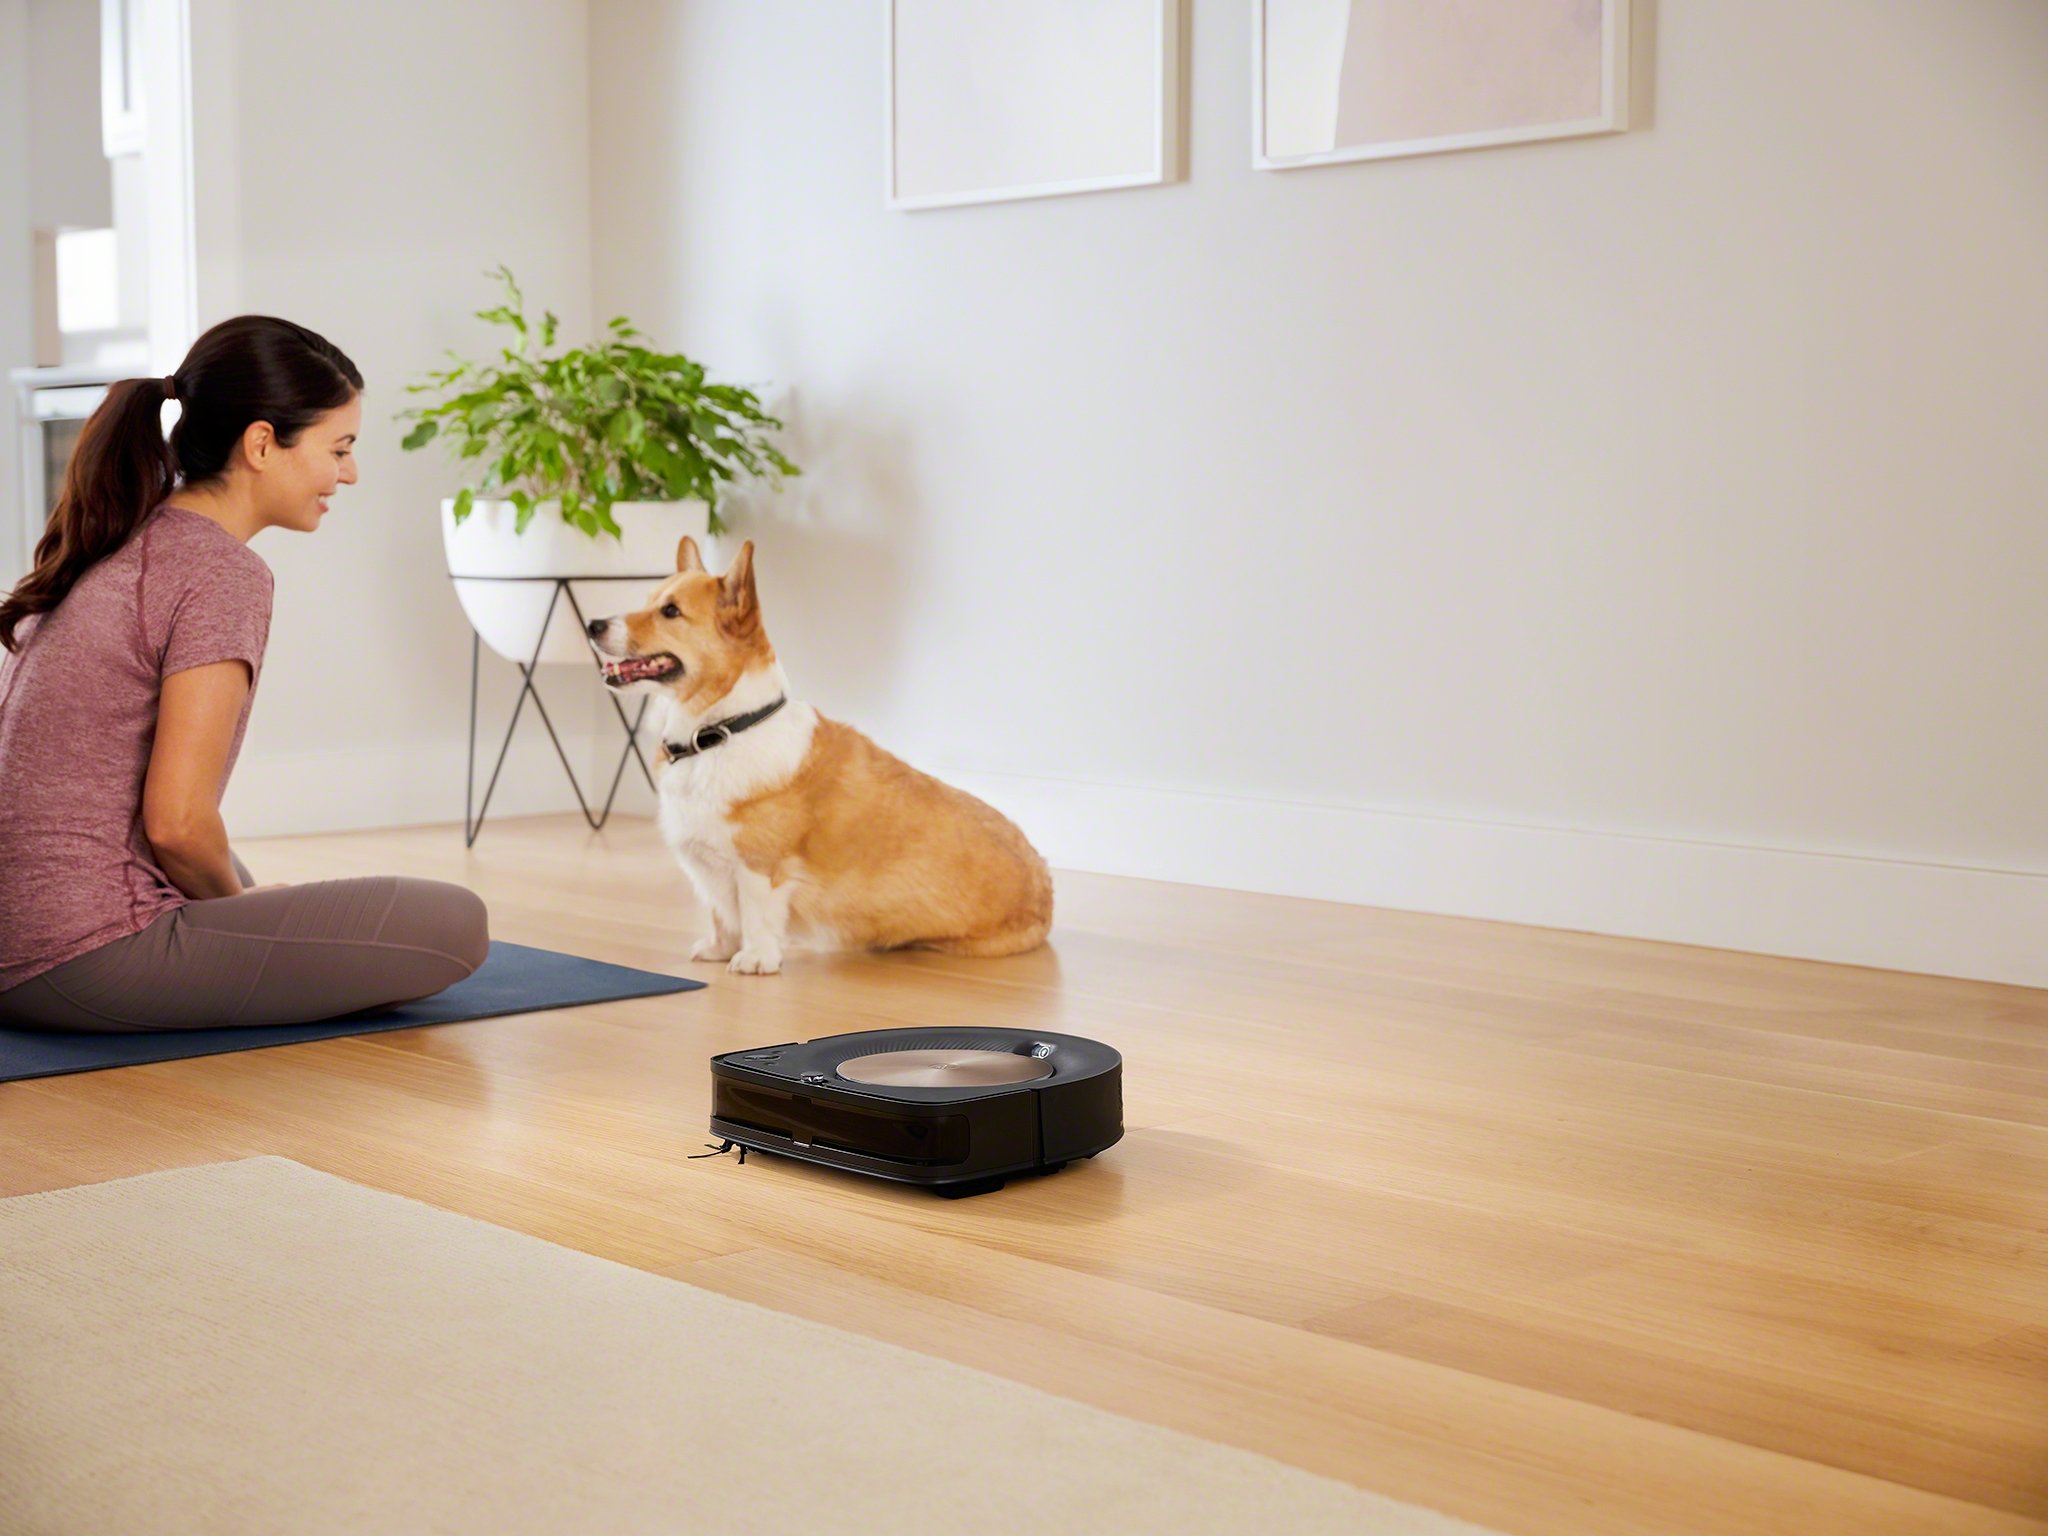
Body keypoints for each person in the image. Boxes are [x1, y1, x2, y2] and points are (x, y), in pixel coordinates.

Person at [0, 316, 488, 1033]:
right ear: (262, 443)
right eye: (340, 448)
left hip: (21, 946)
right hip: (85, 960)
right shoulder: (220, 571)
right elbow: (177, 824)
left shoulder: (124, 538)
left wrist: (246, 899)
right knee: (457, 922)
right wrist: (240, 910)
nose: (349, 473)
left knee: (249, 879)